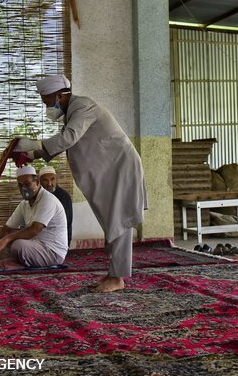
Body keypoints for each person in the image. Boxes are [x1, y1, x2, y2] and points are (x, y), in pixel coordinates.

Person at [14, 75, 147, 293]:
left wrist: (33, 145)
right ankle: (113, 273)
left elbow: (69, 138)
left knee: (118, 220)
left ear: (60, 96)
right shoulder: (73, 112)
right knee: (111, 221)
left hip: (120, 168)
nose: (46, 106)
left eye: (47, 101)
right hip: (110, 170)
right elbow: (65, 142)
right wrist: (33, 153)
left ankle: (118, 277)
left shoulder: (84, 106)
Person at [0, 166, 68, 269]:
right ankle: (15, 262)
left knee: (17, 244)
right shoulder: (24, 204)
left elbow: (34, 230)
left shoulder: (48, 200)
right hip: (34, 247)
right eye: (20, 185)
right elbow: (6, 229)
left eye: (27, 184)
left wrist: (7, 239)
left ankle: (18, 265)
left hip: (52, 252)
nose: (23, 188)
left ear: (37, 182)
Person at [39, 165, 73, 247]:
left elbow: (66, 221)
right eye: (45, 180)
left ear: (56, 179)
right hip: (42, 237)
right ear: (39, 181)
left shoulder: (63, 196)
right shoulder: (39, 196)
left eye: (52, 179)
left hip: (59, 240)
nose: (49, 183)